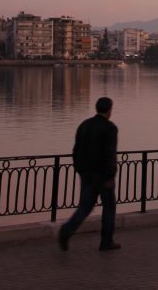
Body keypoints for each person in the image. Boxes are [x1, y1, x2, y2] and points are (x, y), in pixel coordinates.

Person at [58, 96, 120, 251]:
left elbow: (76, 150)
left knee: (85, 207)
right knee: (109, 207)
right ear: (109, 110)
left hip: (86, 174)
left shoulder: (84, 125)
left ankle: (66, 230)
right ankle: (106, 241)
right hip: (103, 175)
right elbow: (109, 154)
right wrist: (111, 175)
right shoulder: (110, 128)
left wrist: (79, 169)